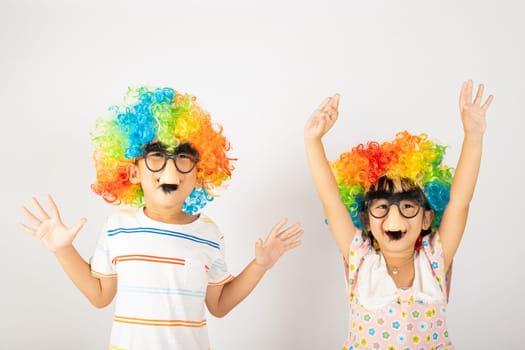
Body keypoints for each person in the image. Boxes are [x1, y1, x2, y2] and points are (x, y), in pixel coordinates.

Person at [20, 86, 303, 350]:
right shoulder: (118, 228)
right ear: (133, 172)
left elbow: (219, 305)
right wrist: (63, 250)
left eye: (183, 158)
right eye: (156, 156)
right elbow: (99, 296)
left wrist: (260, 265)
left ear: (199, 175)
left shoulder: (209, 234)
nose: (170, 170)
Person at [304, 80, 493, 349]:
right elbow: (331, 201)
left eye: (407, 206)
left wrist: (473, 137)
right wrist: (313, 141)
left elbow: (460, 202)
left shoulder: (434, 258)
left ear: (426, 217)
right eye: (382, 207)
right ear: (366, 218)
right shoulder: (360, 258)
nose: (395, 217)